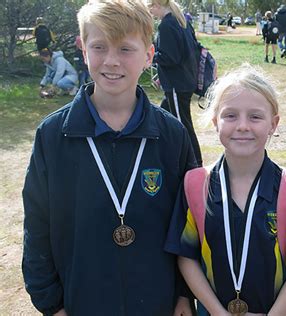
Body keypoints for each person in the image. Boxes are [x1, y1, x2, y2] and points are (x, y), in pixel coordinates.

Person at [22, 1, 197, 315]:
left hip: (158, 301)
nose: (112, 61)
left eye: (125, 49)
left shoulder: (172, 136)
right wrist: (51, 304)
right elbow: (37, 227)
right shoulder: (52, 136)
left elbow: (189, 223)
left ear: (148, 56)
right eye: (99, 47)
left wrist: (184, 294)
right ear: (83, 49)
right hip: (82, 301)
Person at [165, 64, 286, 315]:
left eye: (255, 116)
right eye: (230, 115)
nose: (242, 126)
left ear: (273, 124)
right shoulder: (194, 185)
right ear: (215, 121)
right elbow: (186, 256)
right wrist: (218, 312)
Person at [150, 0, 202, 166]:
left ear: (157, 5)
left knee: (184, 125)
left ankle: (195, 164)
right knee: (159, 118)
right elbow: (187, 52)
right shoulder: (181, 21)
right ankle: (161, 155)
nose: (150, 12)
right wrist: (161, 74)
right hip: (184, 80)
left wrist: (150, 55)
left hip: (177, 85)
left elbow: (170, 57)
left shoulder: (166, 25)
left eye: (150, 7)